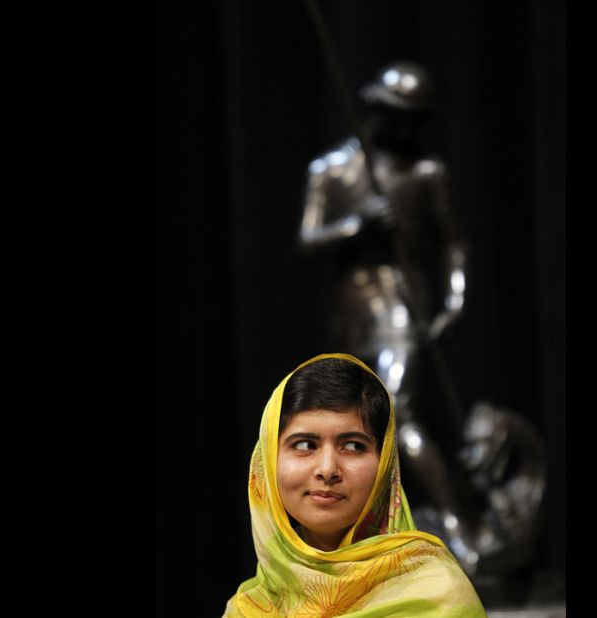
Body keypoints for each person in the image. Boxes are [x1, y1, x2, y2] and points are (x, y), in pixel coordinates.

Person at [297, 62, 480, 568]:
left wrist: (455, 299)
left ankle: (458, 526)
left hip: (400, 306)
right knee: (352, 421)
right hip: (350, 308)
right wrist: (356, 226)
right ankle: (360, 535)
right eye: (395, 114)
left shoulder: (425, 173)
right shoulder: (332, 169)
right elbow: (308, 239)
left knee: (396, 408)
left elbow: (452, 241)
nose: (403, 126)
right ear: (375, 110)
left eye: (412, 118)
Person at [223, 353, 485, 617]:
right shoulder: (248, 609)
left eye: (353, 446)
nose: (327, 470)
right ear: (268, 461)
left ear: (384, 465)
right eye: (304, 445)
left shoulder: (439, 596)